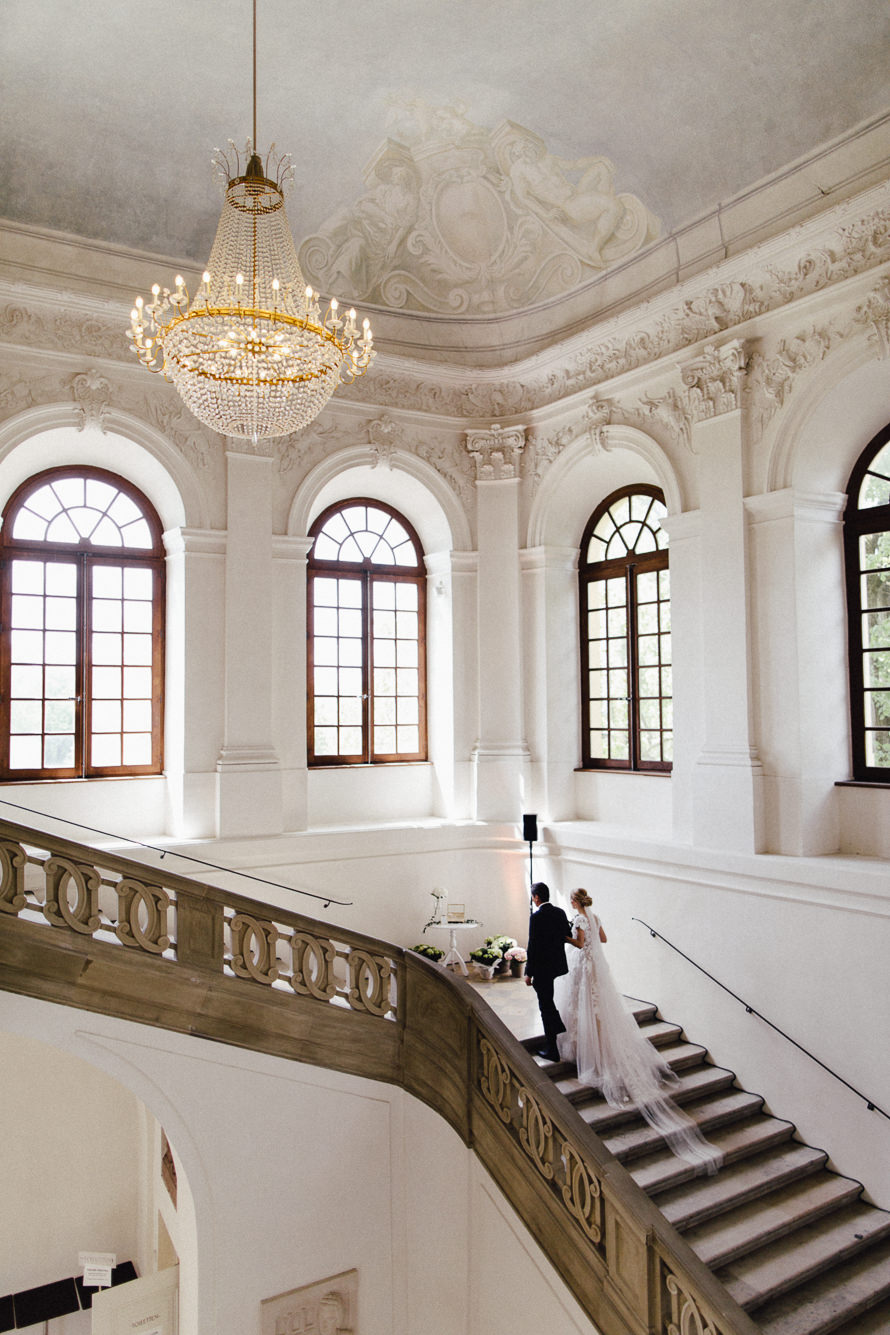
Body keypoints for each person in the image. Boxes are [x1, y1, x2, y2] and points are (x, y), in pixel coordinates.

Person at [556, 889, 722, 1174]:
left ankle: (590, 1050)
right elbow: (603, 940)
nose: (570, 902)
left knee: (584, 1007)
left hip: (585, 966)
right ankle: (598, 1042)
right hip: (598, 967)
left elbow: (582, 944)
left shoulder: (579, 920)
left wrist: (565, 936)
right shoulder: (595, 917)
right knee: (598, 1011)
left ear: (574, 902)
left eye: (571, 899)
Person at [525, 881, 571, 1061]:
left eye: (533, 897)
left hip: (542, 968)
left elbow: (533, 946)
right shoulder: (560, 913)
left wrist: (528, 972)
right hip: (557, 965)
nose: (533, 900)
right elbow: (567, 935)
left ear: (537, 897)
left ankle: (552, 1048)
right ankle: (556, 1031)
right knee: (547, 1001)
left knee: (545, 1006)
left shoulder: (536, 918)